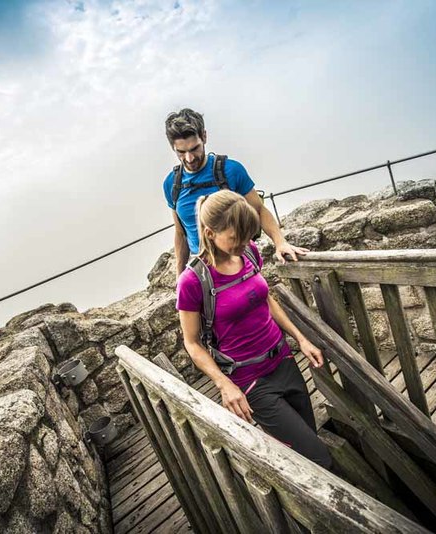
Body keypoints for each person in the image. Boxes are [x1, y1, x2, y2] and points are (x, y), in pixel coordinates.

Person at [176, 190, 333, 469]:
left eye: (249, 234)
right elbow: (192, 343)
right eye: (236, 237)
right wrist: (224, 384)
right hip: (251, 380)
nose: (244, 242)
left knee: (309, 438)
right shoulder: (193, 281)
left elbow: (266, 300)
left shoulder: (249, 253)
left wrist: (301, 339)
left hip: (284, 360)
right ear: (210, 234)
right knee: (319, 459)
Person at [163, 108, 308, 278]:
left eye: (195, 148)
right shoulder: (172, 184)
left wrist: (280, 242)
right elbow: (181, 233)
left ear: (204, 136)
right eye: (181, 152)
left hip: (239, 262)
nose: (189, 158)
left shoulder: (230, 170)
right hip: (202, 270)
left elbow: (259, 210)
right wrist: (180, 277)